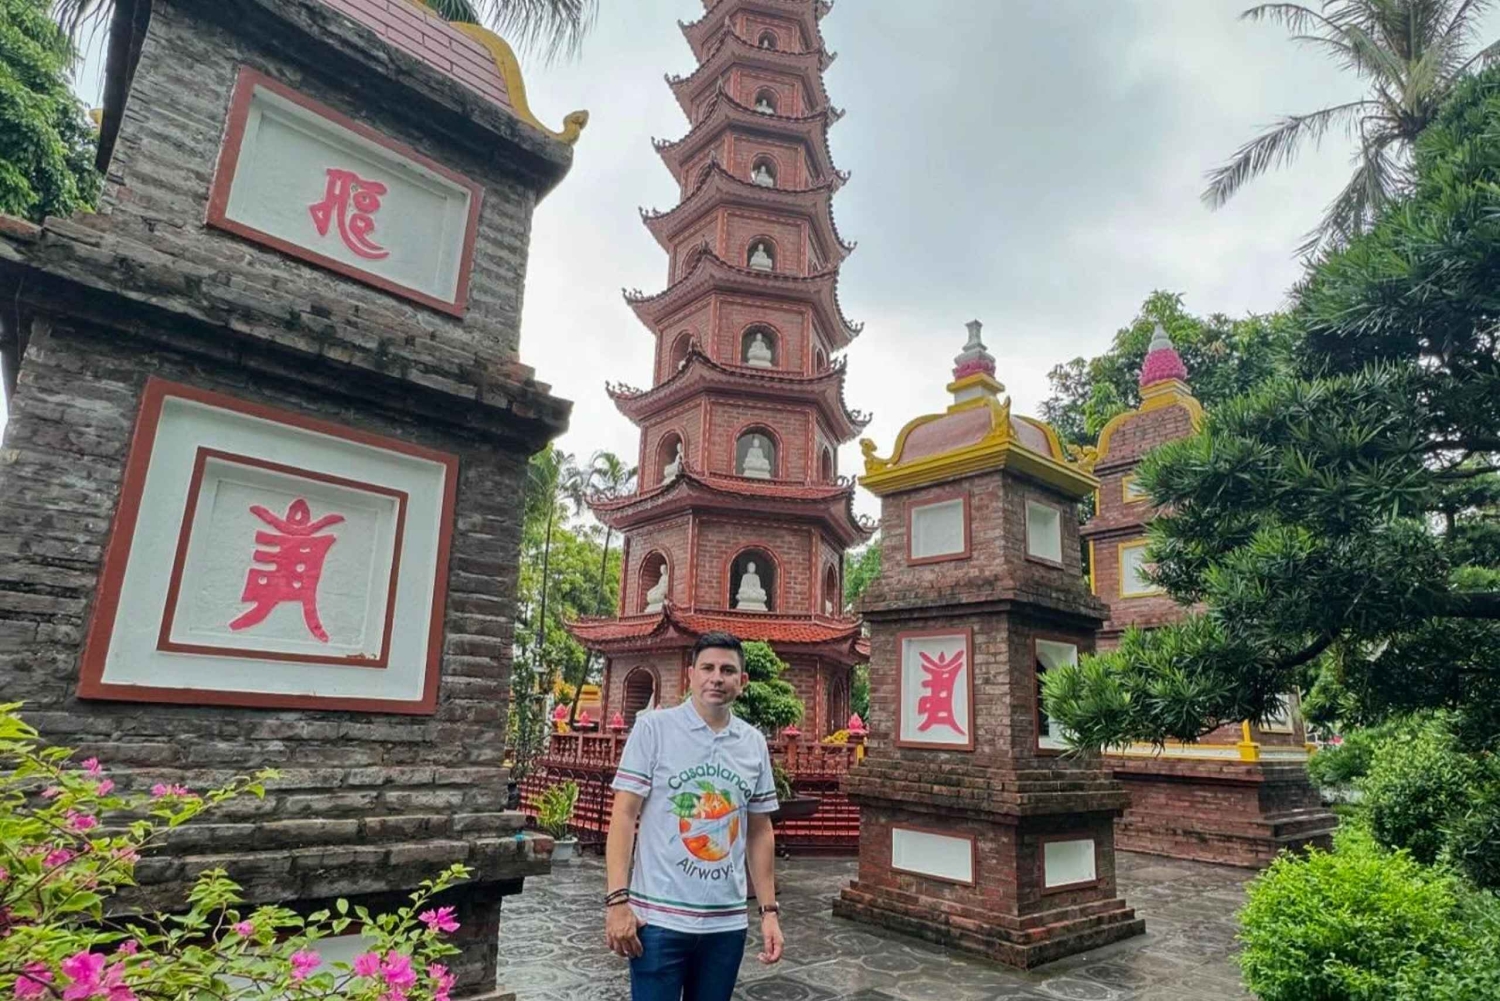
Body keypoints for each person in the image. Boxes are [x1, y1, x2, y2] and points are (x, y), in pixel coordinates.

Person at [604, 631, 784, 1000]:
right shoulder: (655, 729)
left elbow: (759, 830)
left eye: (727, 670)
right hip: (658, 920)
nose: (716, 678)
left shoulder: (752, 743)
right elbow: (623, 814)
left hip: (726, 923)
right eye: (707, 668)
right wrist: (617, 901)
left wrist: (769, 912)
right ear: (690, 675)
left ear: (742, 681)